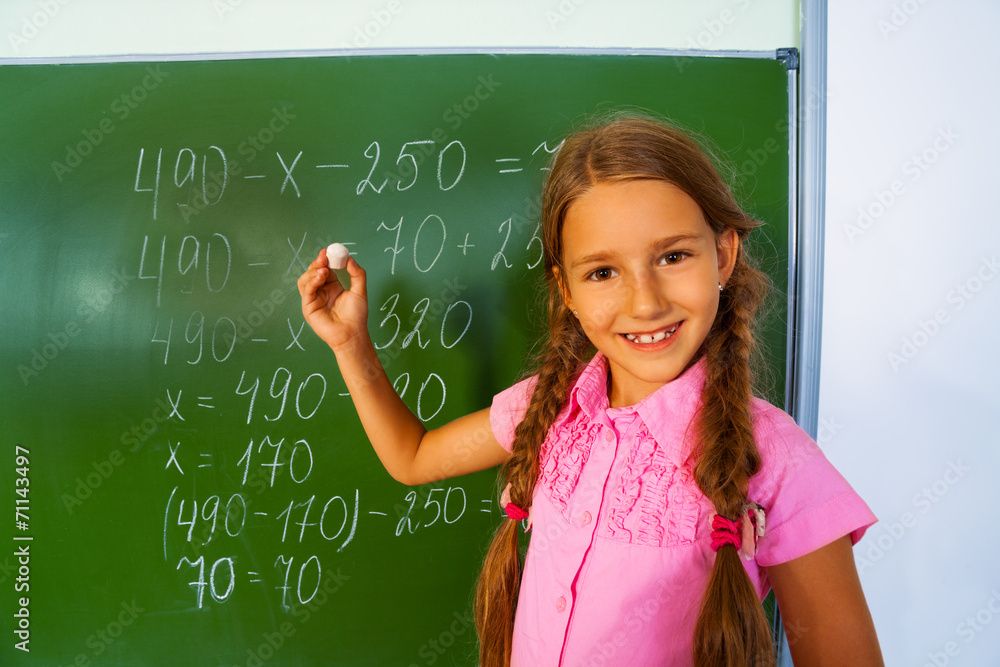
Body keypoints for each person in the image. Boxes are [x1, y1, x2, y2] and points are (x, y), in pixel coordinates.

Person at [297, 114, 884, 666]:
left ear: (724, 255)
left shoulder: (778, 460)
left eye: (673, 255)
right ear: (568, 291)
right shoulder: (548, 408)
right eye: (603, 272)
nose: (645, 302)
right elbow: (414, 456)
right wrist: (351, 345)